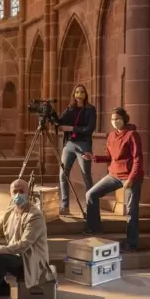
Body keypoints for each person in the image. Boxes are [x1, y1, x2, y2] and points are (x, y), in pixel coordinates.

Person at [81, 107, 143, 253]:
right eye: (113, 119)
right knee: (91, 194)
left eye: (118, 119)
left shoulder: (132, 135)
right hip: (114, 175)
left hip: (130, 176)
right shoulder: (111, 136)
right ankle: (94, 228)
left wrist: (131, 179)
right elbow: (109, 157)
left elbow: (138, 159)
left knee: (131, 210)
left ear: (124, 119)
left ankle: (132, 243)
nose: (115, 122)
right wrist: (93, 157)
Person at [57, 84, 97, 215]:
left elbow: (89, 129)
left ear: (86, 94)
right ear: (74, 94)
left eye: (82, 92)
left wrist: (72, 128)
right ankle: (65, 205)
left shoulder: (90, 110)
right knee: (63, 174)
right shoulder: (70, 109)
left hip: (83, 145)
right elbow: (60, 122)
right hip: (69, 144)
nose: (79, 94)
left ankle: (89, 206)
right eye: (77, 92)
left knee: (86, 175)